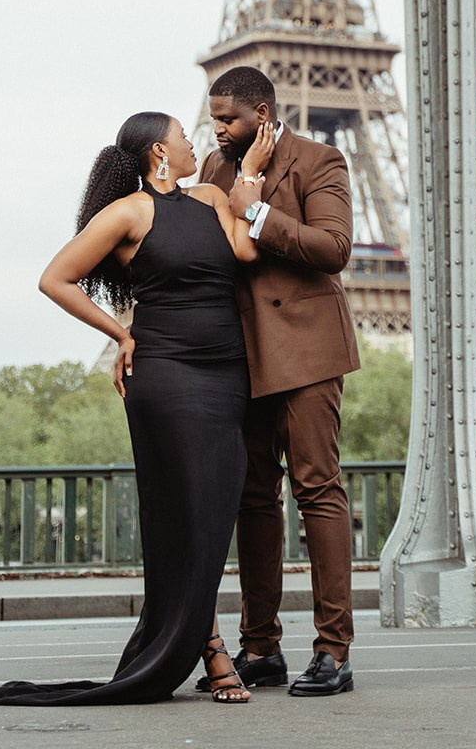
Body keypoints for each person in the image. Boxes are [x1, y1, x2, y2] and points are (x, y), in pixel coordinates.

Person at [0, 109, 273, 708]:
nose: (191, 142)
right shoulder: (130, 212)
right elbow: (56, 279)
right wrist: (119, 333)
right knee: (185, 513)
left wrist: (249, 184)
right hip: (167, 374)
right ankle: (212, 647)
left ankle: (199, 637)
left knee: (215, 513)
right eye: (182, 137)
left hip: (225, 373)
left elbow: (244, 253)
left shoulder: (213, 197)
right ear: (159, 153)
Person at [197, 64, 360, 698]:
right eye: (213, 118)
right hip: (241, 353)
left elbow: (334, 248)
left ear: (261, 114)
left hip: (307, 352)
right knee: (252, 498)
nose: (217, 128)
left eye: (227, 119)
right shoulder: (215, 170)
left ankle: (333, 650)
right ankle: (261, 646)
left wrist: (257, 212)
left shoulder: (320, 160)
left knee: (317, 489)